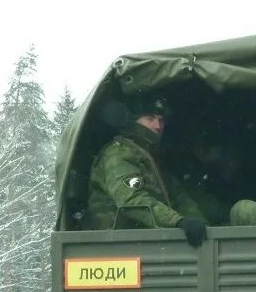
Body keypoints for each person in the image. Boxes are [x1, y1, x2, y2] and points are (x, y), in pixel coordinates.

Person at [86, 94, 209, 247]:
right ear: (132, 121)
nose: (158, 126)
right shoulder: (118, 154)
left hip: (148, 241)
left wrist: (203, 226)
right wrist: (177, 221)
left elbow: (180, 197)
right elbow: (131, 200)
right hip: (117, 245)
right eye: (150, 119)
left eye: (161, 120)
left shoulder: (150, 157)